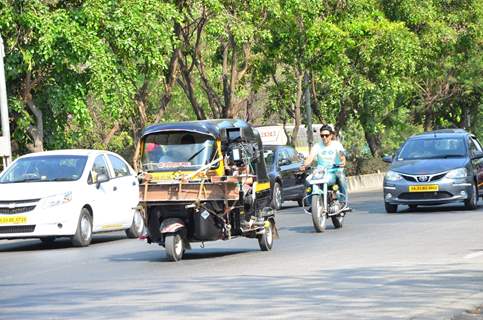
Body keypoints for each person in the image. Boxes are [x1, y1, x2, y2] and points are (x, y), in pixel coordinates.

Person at [300, 124, 348, 206]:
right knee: (308, 180)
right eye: (322, 135)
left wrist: (342, 162)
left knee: (341, 177)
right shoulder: (317, 146)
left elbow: (342, 157)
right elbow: (310, 158)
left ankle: (343, 201)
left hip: (334, 170)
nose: (324, 137)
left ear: (331, 135)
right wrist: (304, 165)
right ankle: (311, 204)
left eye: (326, 135)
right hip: (320, 172)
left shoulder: (337, 145)